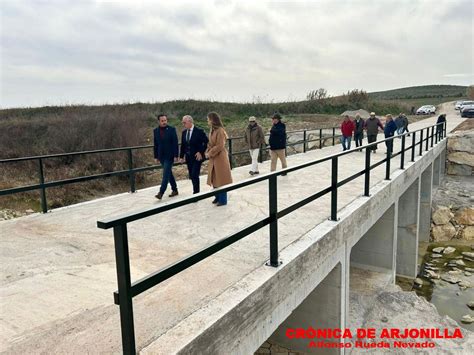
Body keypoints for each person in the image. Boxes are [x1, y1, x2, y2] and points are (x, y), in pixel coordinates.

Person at [205, 112, 233, 206]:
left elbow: (220, 145)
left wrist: (210, 153)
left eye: (208, 119)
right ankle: (217, 196)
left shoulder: (220, 130)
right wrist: (208, 150)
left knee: (221, 178)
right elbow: (211, 143)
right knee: (214, 177)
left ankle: (223, 200)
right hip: (214, 157)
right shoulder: (212, 130)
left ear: (212, 120)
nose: (207, 121)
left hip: (220, 157)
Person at [179, 115, 209, 194]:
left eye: (184, 122)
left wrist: (201, 152)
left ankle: (196, 193)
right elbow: (183, 145)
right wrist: (181, 156)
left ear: (190, 122)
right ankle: (195, 191)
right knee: (192, 176)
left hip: (197, 157)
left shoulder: (199, 131)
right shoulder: (184, 132)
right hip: (188, 157)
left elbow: (206, 142)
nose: (183, 124)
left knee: (195, 174)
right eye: (183, 123)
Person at [153, 113, 179, 199]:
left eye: (165, 120)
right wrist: (156, 156)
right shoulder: (155, 131)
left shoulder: (172, 129)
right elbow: (155, 144)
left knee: (165, 174)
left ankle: (161, 192)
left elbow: (175, 143)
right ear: (159, 121)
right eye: (162, 121)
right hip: (161, 156)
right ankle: (175, 190)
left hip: (170, 155)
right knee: (168, 173)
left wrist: (176, 155)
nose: (164, 122)